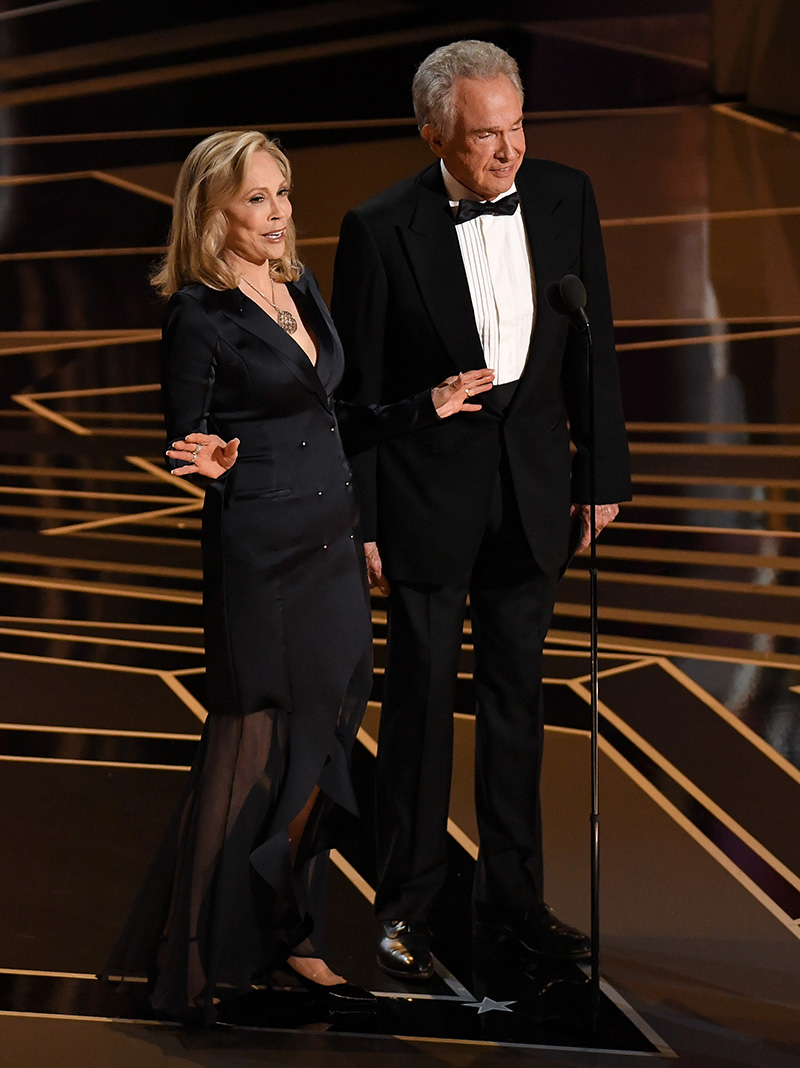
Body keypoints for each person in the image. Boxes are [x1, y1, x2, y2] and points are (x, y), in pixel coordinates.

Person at [98, 130, 493, 1025]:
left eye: (282, 193)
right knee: (244, 754)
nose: (278, 214)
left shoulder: (297, 286)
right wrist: (215, 458)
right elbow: (185, 438)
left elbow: (331, 419)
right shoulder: (199, 313)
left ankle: (291, 935)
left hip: (331, 549)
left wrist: (423, 407)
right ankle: (194, 963)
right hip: (261, 555)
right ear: (213, 211)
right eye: (256, 199)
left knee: (319, 752)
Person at [331, 40, 631, 981]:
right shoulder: (379, 228)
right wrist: (365, 520)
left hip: (535, 495)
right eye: (484, 138)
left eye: (517, 129)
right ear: (433, 135)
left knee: (516, 711)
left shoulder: (563, 194)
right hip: (424, 507)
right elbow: (360, 396)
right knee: (418, 713)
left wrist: (603, 473)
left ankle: (516, 901)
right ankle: (406, 910)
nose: (508, 153)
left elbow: (594, 344)